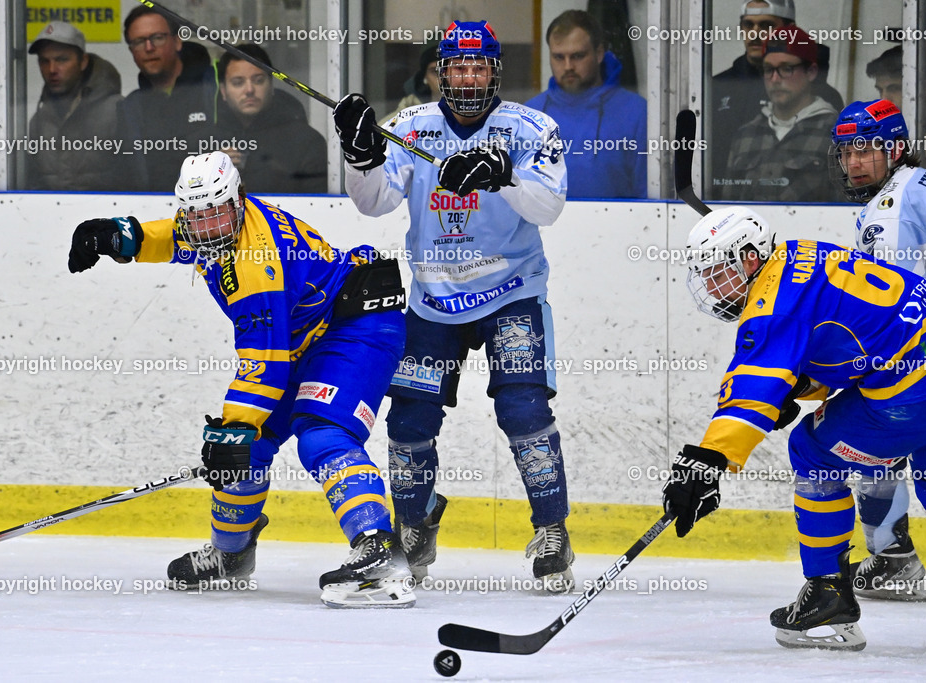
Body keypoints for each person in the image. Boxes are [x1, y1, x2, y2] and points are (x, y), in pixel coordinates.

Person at [67, 150, 413, 607]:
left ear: (237, 200)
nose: (207, 227)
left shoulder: (256, 266)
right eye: (198, 216)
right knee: (244, 449)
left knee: (319, 435)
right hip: (305, 337)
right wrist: (120, 235)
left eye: (216, 214)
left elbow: (265, 362)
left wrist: (233, 429)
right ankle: (231, 556)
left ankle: (379, 553)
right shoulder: (220, 222)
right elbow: (177, 237)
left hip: (357, 328)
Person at [333, 21, 574, 592]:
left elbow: (550, 207)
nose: (468, 76)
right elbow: (373, 203)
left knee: (523, 410)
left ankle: (552, 531)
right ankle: (414, 526)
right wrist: (360, 157)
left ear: (495, 71)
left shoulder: (531, 128)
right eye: (456, 67)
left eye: (479, 66)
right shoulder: (410, 127)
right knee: (409, 421)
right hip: (432, 300)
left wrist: (504, 173)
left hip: (511, 292)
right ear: (439, 72)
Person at [664, 205, 926, 651]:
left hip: (914, 390)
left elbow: (751, 388)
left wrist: (707, 462)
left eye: (718, 272)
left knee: (813, 450)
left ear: (750, 257)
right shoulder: (801, 253)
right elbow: (852, 334)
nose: (712, 286)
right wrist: (800, 387)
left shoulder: (771, 302)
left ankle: (827, 593)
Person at [825, 99, 926, 602]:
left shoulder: (890, 209)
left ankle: (893, 555)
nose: (854, 161)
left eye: (866, 149)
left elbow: (896, 312)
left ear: (894, 148)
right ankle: (893, 555)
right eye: (846, 151)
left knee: (863, 430)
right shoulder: (920, 186)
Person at [709, 0, 843, 192]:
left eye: (766, 25)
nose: (755, 33)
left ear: (789, 29)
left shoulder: (825, 99)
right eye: (748, 25)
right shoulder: (716, 88)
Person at [525, 9, 645, 199]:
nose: (568, 66)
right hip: (544, 228)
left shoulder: (636, 113)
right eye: (558, 57)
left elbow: (650, 198)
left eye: (578, 56)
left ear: (599, 54)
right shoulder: (528, 116)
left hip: (620, 226)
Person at [116, 5, 215, 192]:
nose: (149, 47)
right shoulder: (130, 108)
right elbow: (129, 175)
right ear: (131, 51)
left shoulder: (214, 88)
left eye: (157, 38)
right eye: (138, 41)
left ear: (178, 41)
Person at [213, 43, 326, 194]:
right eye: (238, 82)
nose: (249, 90)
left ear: (271, 85)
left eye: (258, 80)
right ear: (223, 92)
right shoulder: (207, 143)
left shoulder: (306, 142)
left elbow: (318, 207)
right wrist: (212, 172)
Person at [27, 21, 123, 191]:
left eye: (62, 60)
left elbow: (132, 178)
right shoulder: (38, 121)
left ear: (83, 61)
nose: (52, 69)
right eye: (44, 61)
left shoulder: (117, 111)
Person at [378, 44, 439, 127]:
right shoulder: (395, 125)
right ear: (425, 77)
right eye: (436, 71)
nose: (445, 77)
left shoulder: (462, 120)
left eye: (457, 69)